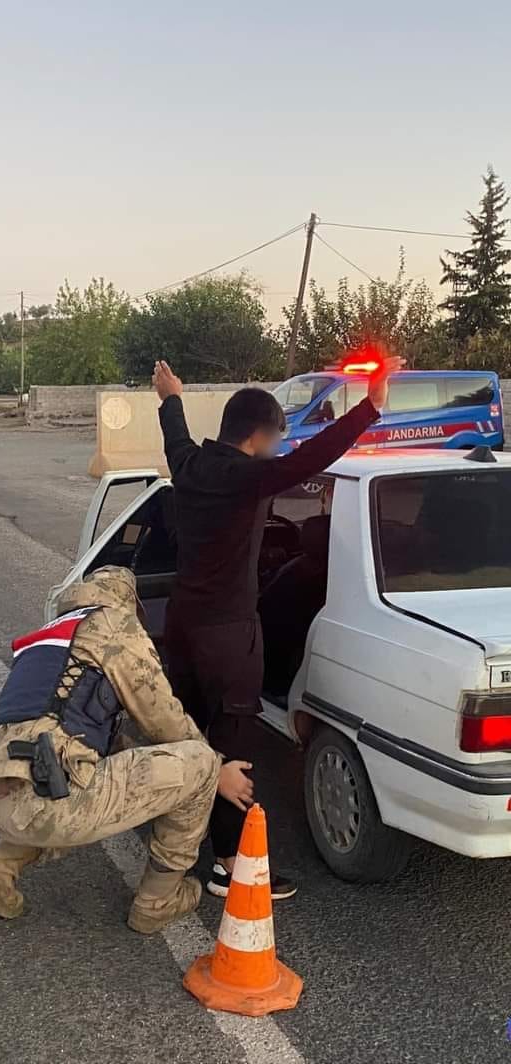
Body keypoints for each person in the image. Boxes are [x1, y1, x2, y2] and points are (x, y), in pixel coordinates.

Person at [153, 356, 401, 900]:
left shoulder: (190, 466)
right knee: (233, 747)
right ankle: (225, 864)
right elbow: (313, 456)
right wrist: (370, 406)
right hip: (229, 636)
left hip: (182, 626)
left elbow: (175, 435)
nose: (276, 451)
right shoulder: (251, 476)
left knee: (190, 734)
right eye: (274, 441)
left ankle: (176, 835)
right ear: (259, 436)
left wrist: (170, 396)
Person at [0, 565, 255, 933]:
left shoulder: (54, 634)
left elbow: (83, 726)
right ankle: (157, 902)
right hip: (47, 794)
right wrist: (218, 770)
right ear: (129, 601)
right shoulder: (114, 625)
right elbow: (164, 720)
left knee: (75, 782)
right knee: (201, 762)